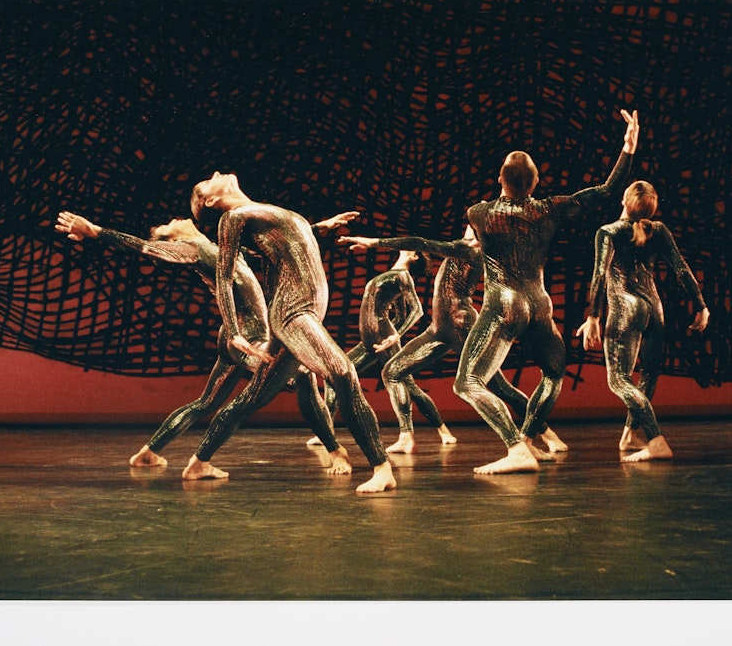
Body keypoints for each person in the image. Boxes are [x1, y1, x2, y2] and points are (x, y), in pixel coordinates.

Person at [53, 210, 355, 475]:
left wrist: (319, 229)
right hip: (247, 338)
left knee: (205, 402)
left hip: (235, 336)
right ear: (171, 241)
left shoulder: (221, 249)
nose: (175, 219)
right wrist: (95, 231)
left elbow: (274, 247)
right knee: (302, 376)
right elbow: (146, 248)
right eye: (167, 226)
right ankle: (334, 450)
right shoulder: (191, 248)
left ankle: (148, 453)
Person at [182, 171, 395, 493]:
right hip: (292, 313)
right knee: (343, 373)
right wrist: (234, 331)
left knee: (253, 397)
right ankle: (381, 468)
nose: (214, 173)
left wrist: (324, 227)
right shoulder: (233, 218)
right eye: (207, 181)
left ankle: (198, 463)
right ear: (211, 201)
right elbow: (224, 276)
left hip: (304, 309)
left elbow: (292, 239)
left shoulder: (263, 211)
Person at [456, 108, 640, 474]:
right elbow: (605, 192)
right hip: (539, 303)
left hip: (504, 301)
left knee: (468, 381)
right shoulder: (548, 209)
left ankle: (516, 447)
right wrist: (627, 149)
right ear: (537, 182)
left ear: (499, 179)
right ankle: (526, 437)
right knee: (554, 373)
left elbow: (472, 244)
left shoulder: (477, 212)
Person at [338, 225, 568, 455]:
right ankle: (406, 436)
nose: (467, 224)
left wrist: (373, 242)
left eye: (473, 224)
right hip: (439, 329)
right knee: (392, 372)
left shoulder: (468, 250)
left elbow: (419, 241)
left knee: (500, 387)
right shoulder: (464, 249)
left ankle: (545, 435)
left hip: (461, 326)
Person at [574, 180, 710, 462]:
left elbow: (599, 274)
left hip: (626, 307)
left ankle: (656, 440)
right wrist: (701, 306)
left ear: (624, 200)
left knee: (618, 380)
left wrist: (594, 316)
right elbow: (681, 269)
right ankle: (629, 434)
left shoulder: (608, 232)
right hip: (654, 308)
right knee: (648, 374)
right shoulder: (658, 230)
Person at [308, 249, 444, 453]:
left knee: (406, 384)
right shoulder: (394, 276)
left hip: (382, 336)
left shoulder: (402, 276)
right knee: (334, 375)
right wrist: (395, 331)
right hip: (370, 339)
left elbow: (417, 310)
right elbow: (401, 313)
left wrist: (395, 335)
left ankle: (422, 433)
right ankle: (326, 431)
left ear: (414, 256)